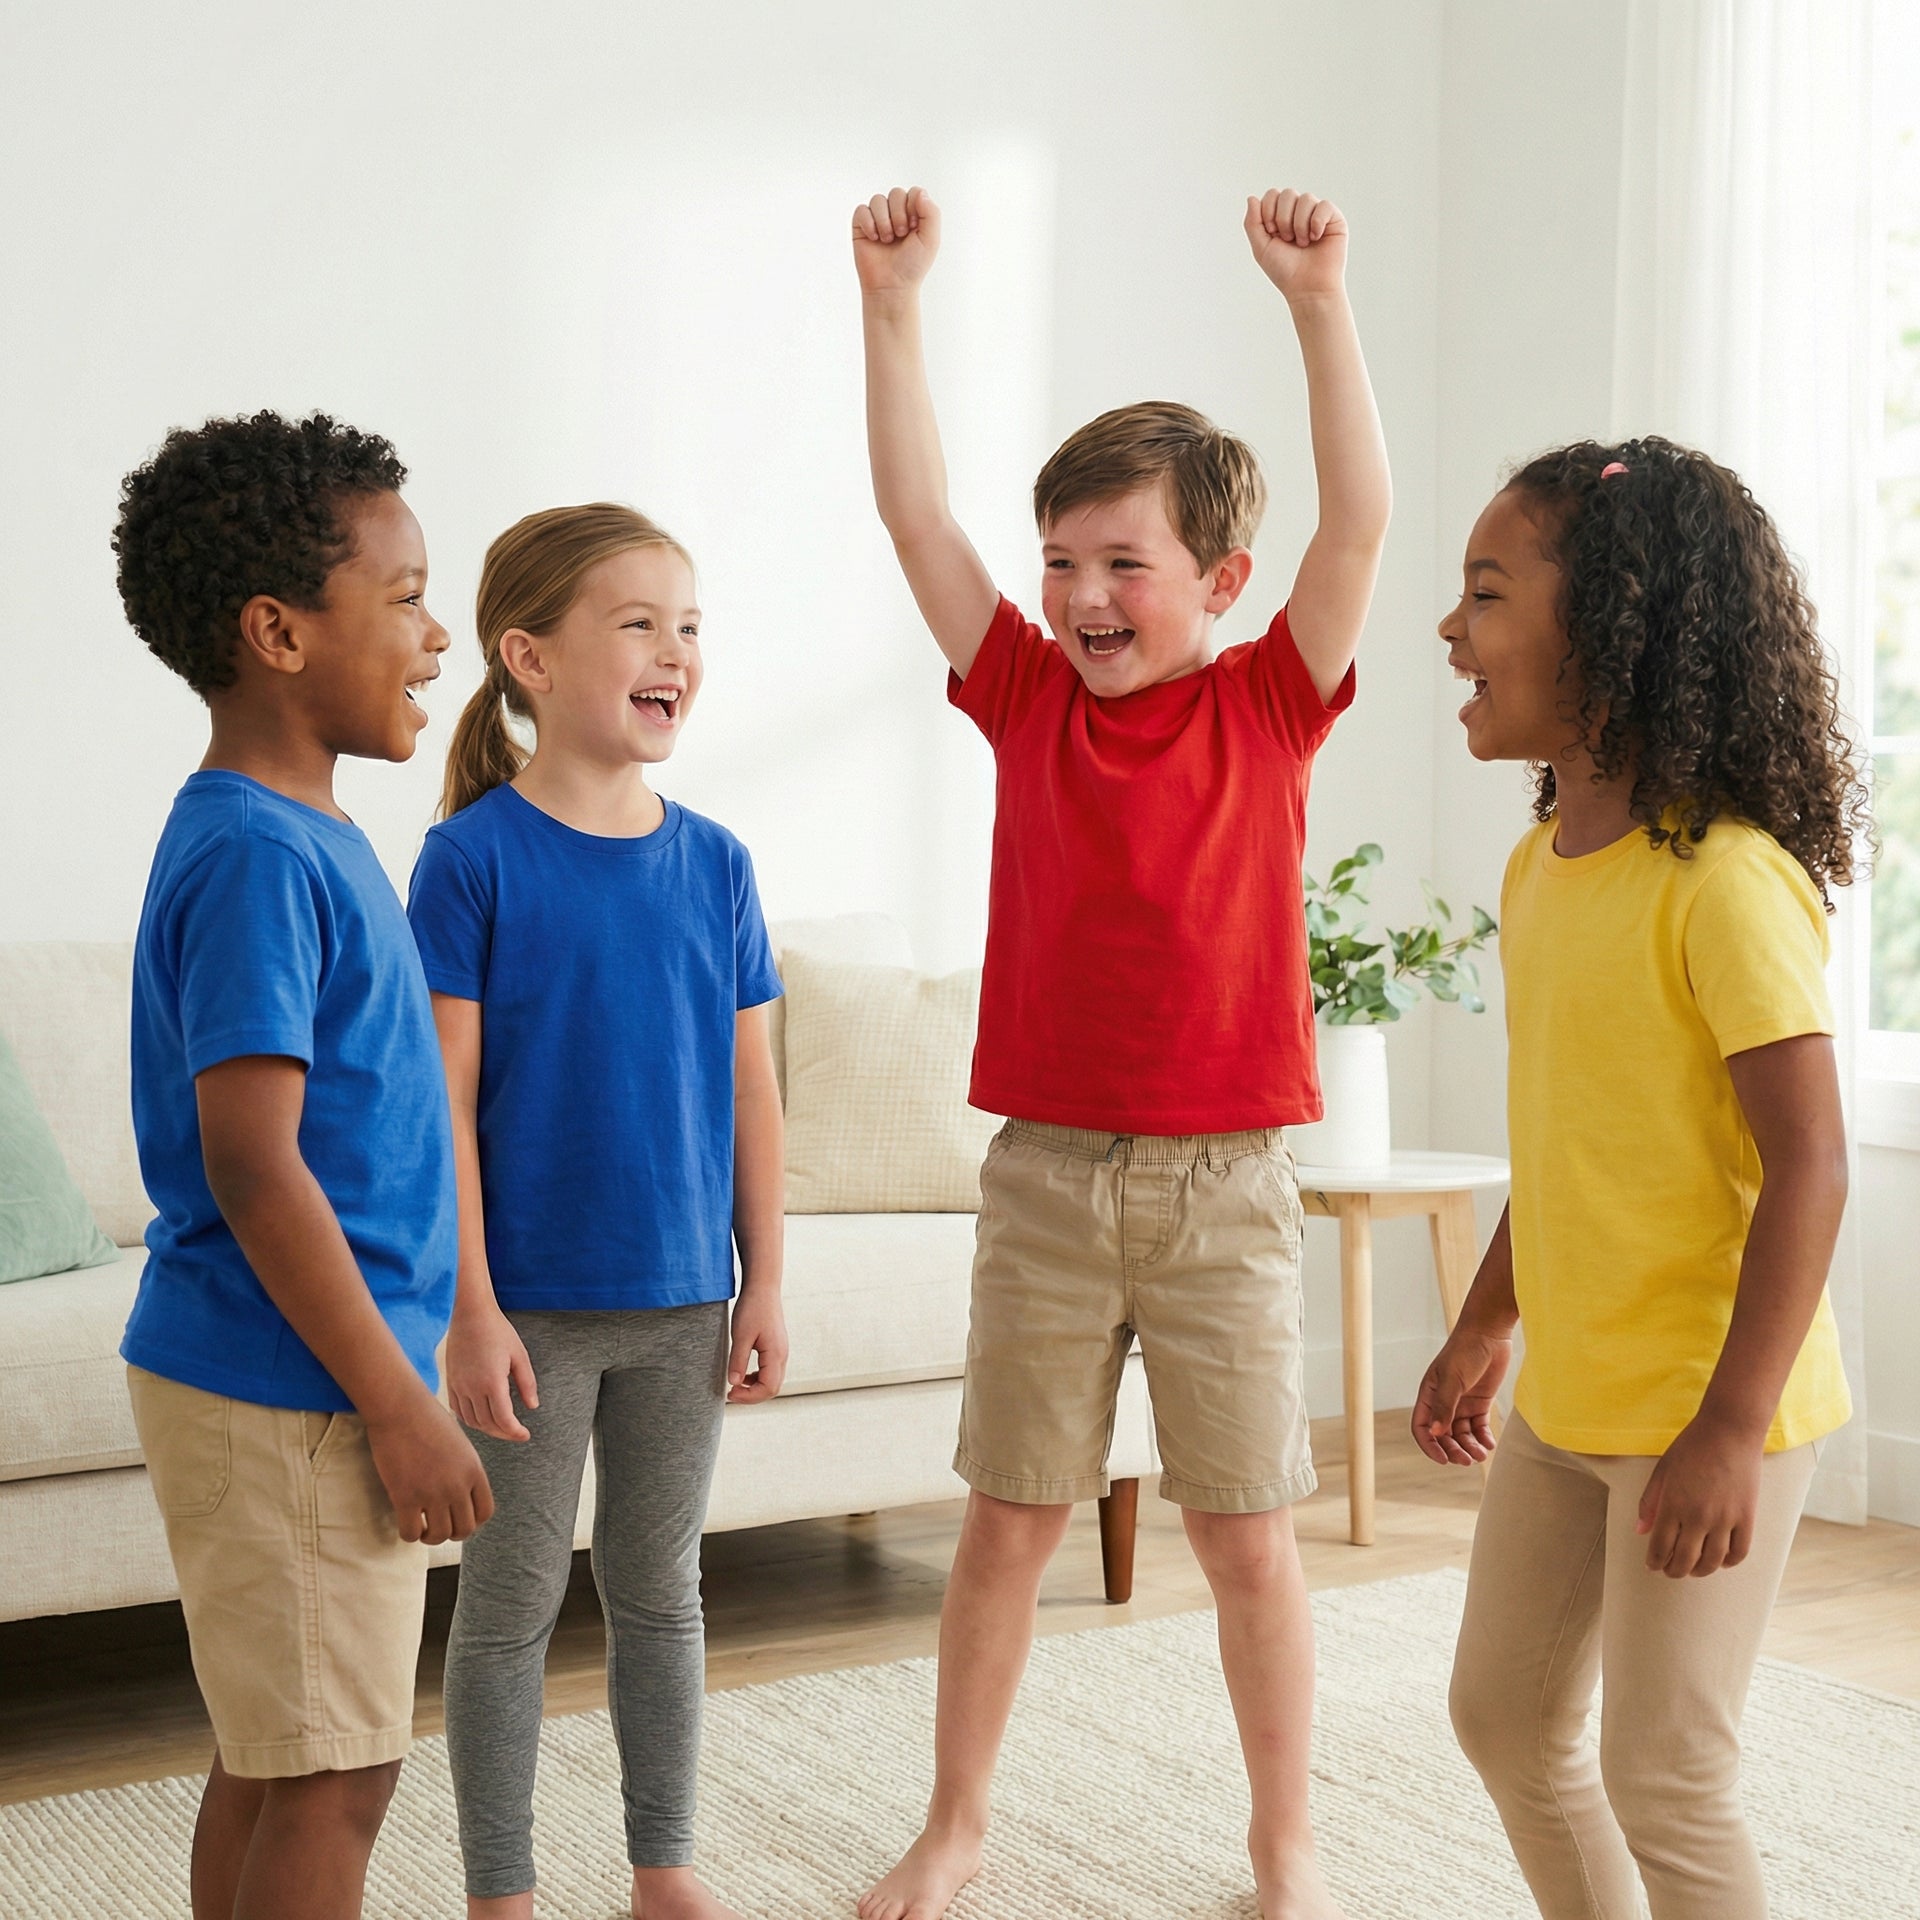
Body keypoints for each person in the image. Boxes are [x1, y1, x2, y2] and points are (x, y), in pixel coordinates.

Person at [849, 185, 1391, 1920]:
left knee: (1246, 1542)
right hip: (1050, 1179)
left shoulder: (1267, 703)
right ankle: (957, 1823)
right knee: (1006, 1520)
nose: (1081, 596)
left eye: (1122, 564)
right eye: (1061, 561)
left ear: (1220, 582)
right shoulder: (1020, 697)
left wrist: (1317, 306)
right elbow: (917, 517)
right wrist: (894, 308)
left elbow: (1360, 524)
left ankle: (1288, 1847)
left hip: (1230, 1183)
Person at [1415, 437, 1866, 1920]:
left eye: (1486, 592)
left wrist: (1733, 1430)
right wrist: (1489, 1318)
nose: (1450, 628)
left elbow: (1811, 1167)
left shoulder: (1726, 882)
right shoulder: (1542, 869)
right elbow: (1569, 1142)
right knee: (1502, 1716)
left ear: (1612, 628)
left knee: (1666, 1772)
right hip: (1573, 1396)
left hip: (1711, 1404)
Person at [113, 411, 489, 1920]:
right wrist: (399, 1407)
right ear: (277, 631)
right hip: (296, 1396)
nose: (435, 630)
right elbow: (256, 1167)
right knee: (335, 1774)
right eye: (401, 596)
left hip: (293, 1383)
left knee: (280, 1758)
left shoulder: (302, 833)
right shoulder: (263, 854)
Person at [408, 503, 787, 1920]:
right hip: (532, 1316)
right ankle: (499, 1894)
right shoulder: (471, 860)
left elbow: (756, 1096)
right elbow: (437, 1106)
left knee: (660, 1596)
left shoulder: (719, 864)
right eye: (638, 622)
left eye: (689, 626)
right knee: (505, 1614)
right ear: (530, 658)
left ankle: (662, 1868)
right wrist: (472, 1308)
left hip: (687, 1298)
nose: (674, 651)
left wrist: (768, 1282)